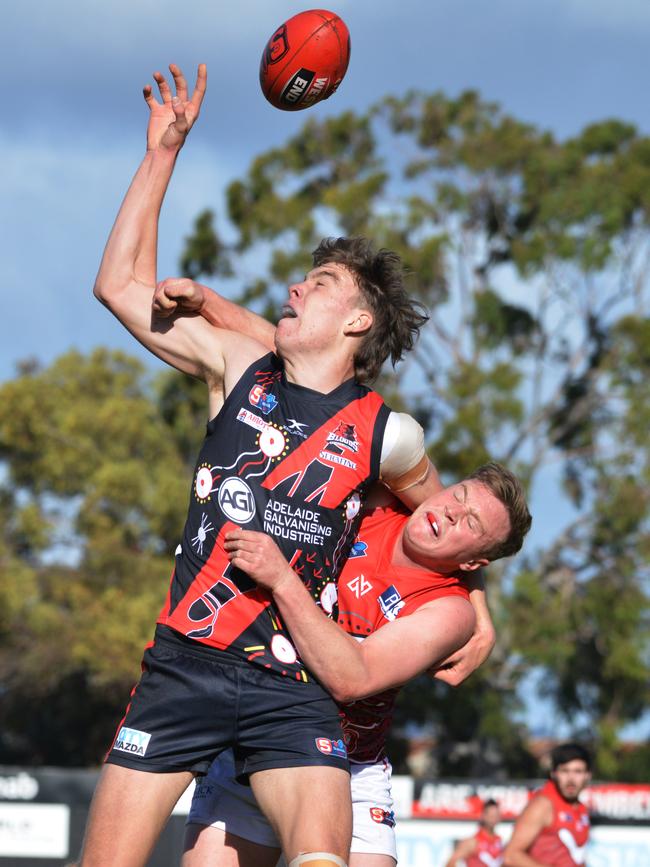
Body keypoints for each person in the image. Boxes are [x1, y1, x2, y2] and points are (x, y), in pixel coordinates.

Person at [79, 62, 447, 867]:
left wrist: (470, 602)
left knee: (324, 858)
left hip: (290, 681)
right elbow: (116, 284)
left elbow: (444, 518)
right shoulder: (238, 366)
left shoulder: (387, 434)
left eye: (316, 283)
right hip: (184, 664)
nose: (292, 286)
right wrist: (162, 156)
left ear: (356, 318)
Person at [182, 465, 531, 867]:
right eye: (458, 495)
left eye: (471, 523)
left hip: (352, 768)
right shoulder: (374, 502)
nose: (453, 511)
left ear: (474, 563)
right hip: (253, 737)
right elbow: (384, 433)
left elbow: (351, 678)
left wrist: (281, 579)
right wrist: (484, 603)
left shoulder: (451, 611)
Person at [503, 743, 591, 867]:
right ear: (553, 774)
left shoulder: (582, 809)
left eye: (578, 771)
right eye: (565, 771)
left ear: (588, 775)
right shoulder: (543, 805)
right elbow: (510, 856)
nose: (571, 779)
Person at [444, 799, 504, 867]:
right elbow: (451, 862)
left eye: (496, 816)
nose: (493, 819)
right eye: (491, 816)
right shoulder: (473, 842)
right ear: (483, 816)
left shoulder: (499, 842)